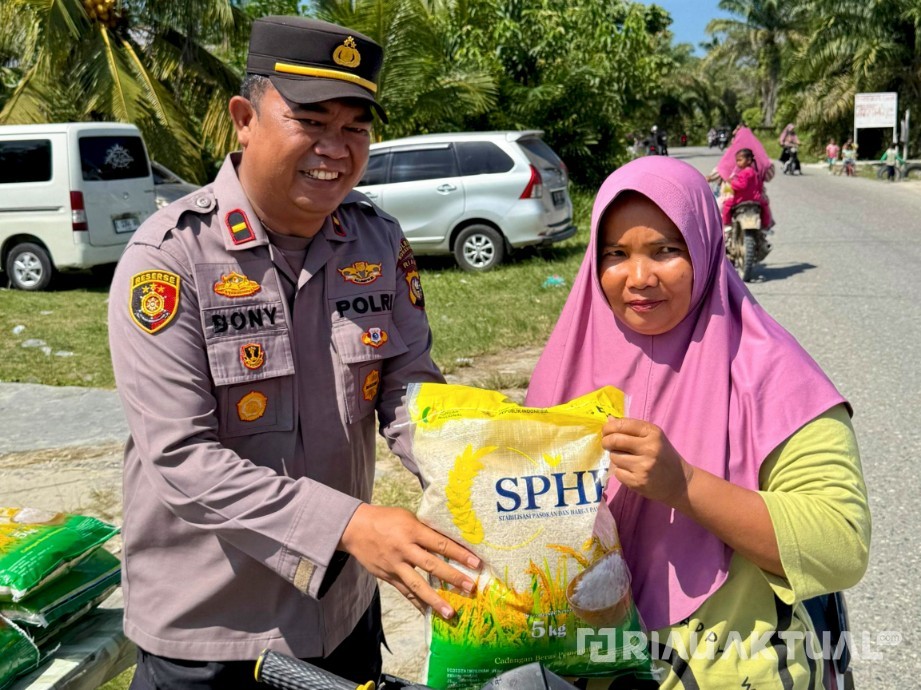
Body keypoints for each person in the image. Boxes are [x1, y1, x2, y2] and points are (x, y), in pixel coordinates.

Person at [107, 16, 480, 690]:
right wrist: (350, 522)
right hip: (211, 634)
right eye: (311, 121)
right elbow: (181, 459)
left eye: (355, 127)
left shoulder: (376, 239)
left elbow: (408, 386)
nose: (334, 148)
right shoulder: (169, 260)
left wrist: (482, 467)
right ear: (245, 118)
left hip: (338, 615)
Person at [525, 156, 870, 688]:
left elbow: (840, 545)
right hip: (580, 663)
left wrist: (684, 485)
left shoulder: (770, 372)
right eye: (616, 254)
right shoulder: (568, 364)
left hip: (726, 664)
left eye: (666, 250)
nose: (639, 278)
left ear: (706, 249)